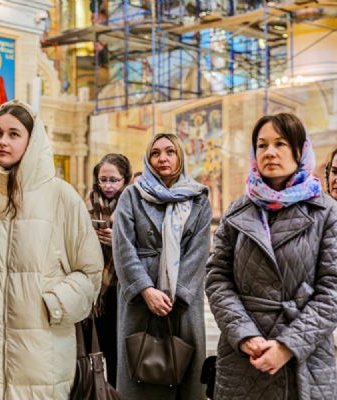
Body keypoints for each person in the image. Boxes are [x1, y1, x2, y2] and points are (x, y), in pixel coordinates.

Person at [0, 100, 103, 399]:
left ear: (31, 140)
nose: (3, 141)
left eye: (13, 134)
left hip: (43, 355)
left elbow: (89, 272)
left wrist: (54, 304)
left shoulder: (62, 197)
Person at [206, 113, 337, 399]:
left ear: (299, 150)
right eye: (262, 145)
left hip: (304, 358)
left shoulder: (326, 212)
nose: (270, 152)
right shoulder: (237, 210)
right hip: (244, 357)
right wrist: (244, 334)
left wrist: (287, 346)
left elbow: (333, 291)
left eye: (280, 143)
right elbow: (217, 279)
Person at [114, 133, 211, 399]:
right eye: (155, 153)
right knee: (140, 375)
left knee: (184, 376)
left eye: (170, 152)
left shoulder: (199, 198)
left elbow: (199, 250)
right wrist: (146, 290)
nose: (162, 158)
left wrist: (175, 294)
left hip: (182, 303)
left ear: (180, 156)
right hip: (140, 301)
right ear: (148, 160)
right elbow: (123, 248)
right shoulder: (132, 196)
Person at [85, 153, 132, 387]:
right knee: (93, 350)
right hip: (93, 288)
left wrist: (118, 240)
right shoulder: (88, 202)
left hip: (121, 287)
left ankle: (115, 391)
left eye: (114, 180)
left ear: (125, 179)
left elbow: (145, 245)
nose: (108, 185)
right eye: (103, 180)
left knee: (117, 352)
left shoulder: (133, 203)